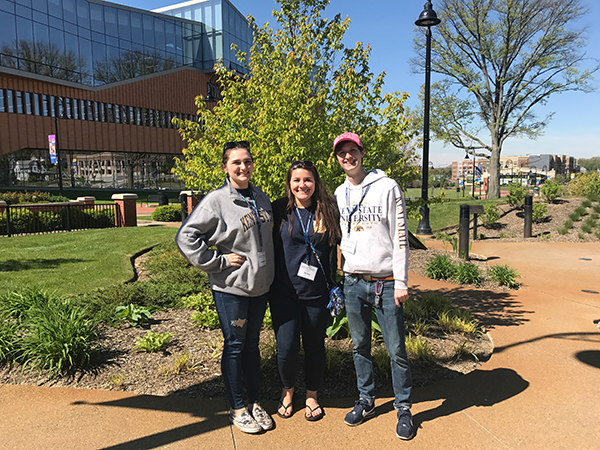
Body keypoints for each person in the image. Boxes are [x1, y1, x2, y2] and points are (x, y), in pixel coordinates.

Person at [175, 141, 275, 434]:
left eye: (247, 161)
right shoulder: (217, 200)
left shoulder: (261, 197)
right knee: (234, 346)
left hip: (260, 288)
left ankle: (255, 402)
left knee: (252, 346)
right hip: (231, 288)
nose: (243, 167)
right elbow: (186, 237)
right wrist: (216, 261)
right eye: (236, 163)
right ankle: (237, 407)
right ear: (225, 167)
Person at [333, 132, 415, 440]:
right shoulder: (339, 194)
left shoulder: (387, 187)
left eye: (352, 150)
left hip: (387, 283)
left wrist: (402, 280)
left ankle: (403, 408)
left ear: (361, 152)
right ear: (337, 158)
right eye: (342, 153)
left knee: (396, 350)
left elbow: (401, 236)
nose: (347, 157)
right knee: (359, 346)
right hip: (353, 282)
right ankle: (365, 399)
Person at [269, 160, 341, 422]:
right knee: (286, 347)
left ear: (316, 182)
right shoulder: (279, 209)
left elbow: (342, 244)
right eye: (297, 180)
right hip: (284, 293)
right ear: (290, 184)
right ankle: (288, 391)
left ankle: (312, 395)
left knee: (314, 347)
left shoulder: (328, 209)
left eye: (307, 179)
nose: (302, 185)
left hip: (317, 294)